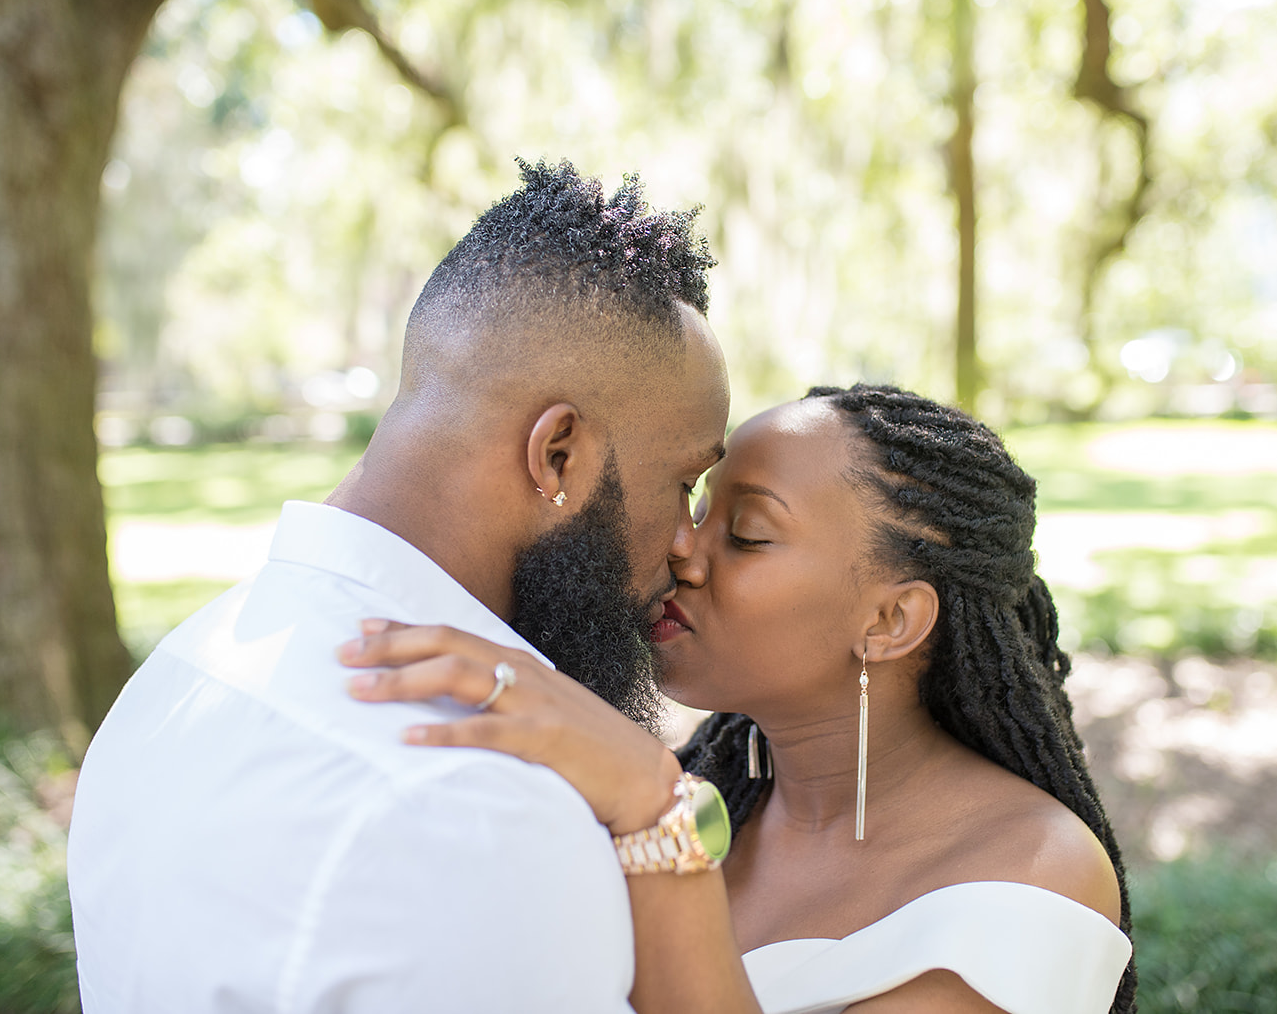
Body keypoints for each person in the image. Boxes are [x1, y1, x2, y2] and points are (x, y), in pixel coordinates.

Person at [66, 160, 730, 1012]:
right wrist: (659, 811)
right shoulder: (486, 813)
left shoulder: (182, 671)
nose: (688, 546)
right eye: (683, 483)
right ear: (556, 453)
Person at [341, 384, 1137, 1014]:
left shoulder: (1033, 877)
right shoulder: (723, 797)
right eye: (696, 504)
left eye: (747, 533)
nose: (683, 547)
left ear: (891, 620)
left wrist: (655, 819)